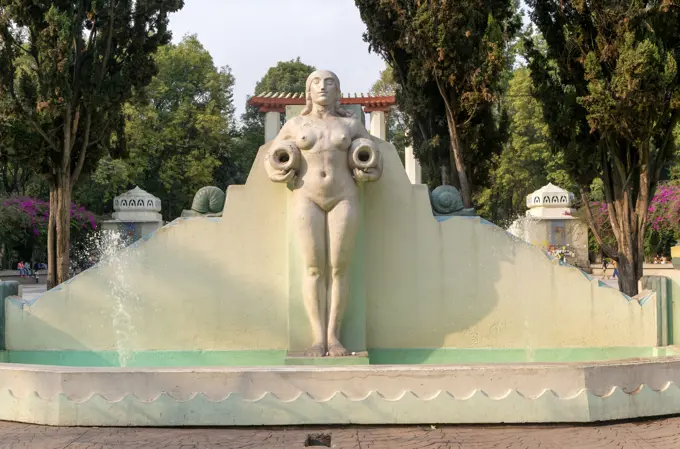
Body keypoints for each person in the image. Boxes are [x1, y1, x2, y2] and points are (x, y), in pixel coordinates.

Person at [265, 70, 382, 357]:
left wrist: (366, 169)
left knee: (339, 268)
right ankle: (318, 338)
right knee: (314, 268)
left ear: (338, 91)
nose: (322, 87)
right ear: (308, 91)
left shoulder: (351, 125)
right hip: (307, 197)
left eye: (329, 82)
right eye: (316, 82)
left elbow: (376, 163)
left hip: (343, 197)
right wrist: (281, 169)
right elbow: (271, 159)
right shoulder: (295, 124)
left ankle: (335, 337)